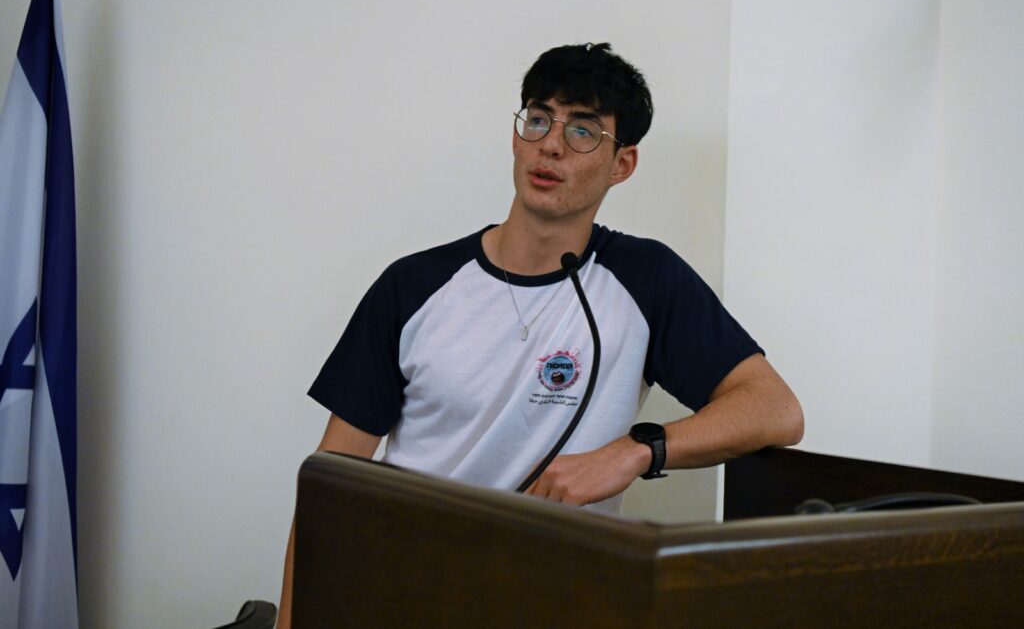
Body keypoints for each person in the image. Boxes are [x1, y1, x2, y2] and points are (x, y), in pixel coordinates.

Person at [277, 43, 803, 626]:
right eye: (538, 119)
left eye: (583, 130)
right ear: (517, 135)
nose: (551, 144)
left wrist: (634, 452)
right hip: (409, 594)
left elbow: (775, 409)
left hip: (556, 602)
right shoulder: (414, 285)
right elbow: (327, 489)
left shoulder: (646, 279)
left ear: (622, 164)